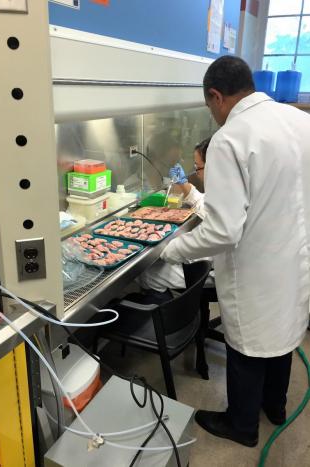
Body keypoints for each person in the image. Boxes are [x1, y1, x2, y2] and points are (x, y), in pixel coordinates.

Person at [161, 55, 310, 447]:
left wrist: (173, 250)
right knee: (283, 335)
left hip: (257, 266)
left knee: (248, 344)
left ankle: (241, 426)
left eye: (209, 106)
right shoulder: (300, 120)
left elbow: (223, 231)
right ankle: (274, 407)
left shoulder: (231, 137)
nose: (212, 114)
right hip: (296, 258)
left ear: (216, 96)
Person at [137, 138, 211, 299]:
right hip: (215, 261)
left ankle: (168, 318)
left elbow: (214, 228)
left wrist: (163, 250)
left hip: (214, 269)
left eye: (197, 168)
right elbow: (205, 203)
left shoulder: (226, 196)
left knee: (150, 274)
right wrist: (184, 184)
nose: (196, 172)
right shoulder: (227, 188)